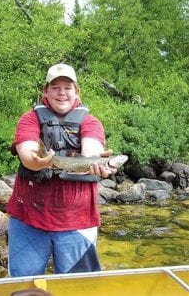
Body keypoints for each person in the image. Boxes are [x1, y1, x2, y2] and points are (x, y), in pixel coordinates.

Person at [6, 63, 115, 277]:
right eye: (55, 87)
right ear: (45, 91)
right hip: (28, 218)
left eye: (67, 87)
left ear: (76, 91)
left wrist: (97, 162)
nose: (62, 93)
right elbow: (28, 156)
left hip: (78, 221)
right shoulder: (29, 119)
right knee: (23, 286)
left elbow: (92, 148)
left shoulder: (91, 122)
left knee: (78, 289)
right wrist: (40, 161)